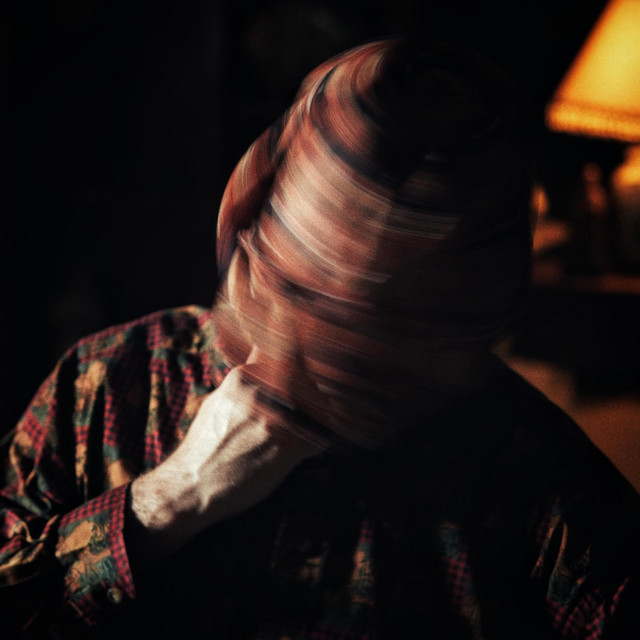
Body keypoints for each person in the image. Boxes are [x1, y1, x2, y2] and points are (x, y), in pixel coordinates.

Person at [1, 37, 639, 639]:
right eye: (301, 285)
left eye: (386, 317)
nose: (319, 347)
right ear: (255, 220)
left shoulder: (541, 487)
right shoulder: (107, 385)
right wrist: (171, 498)